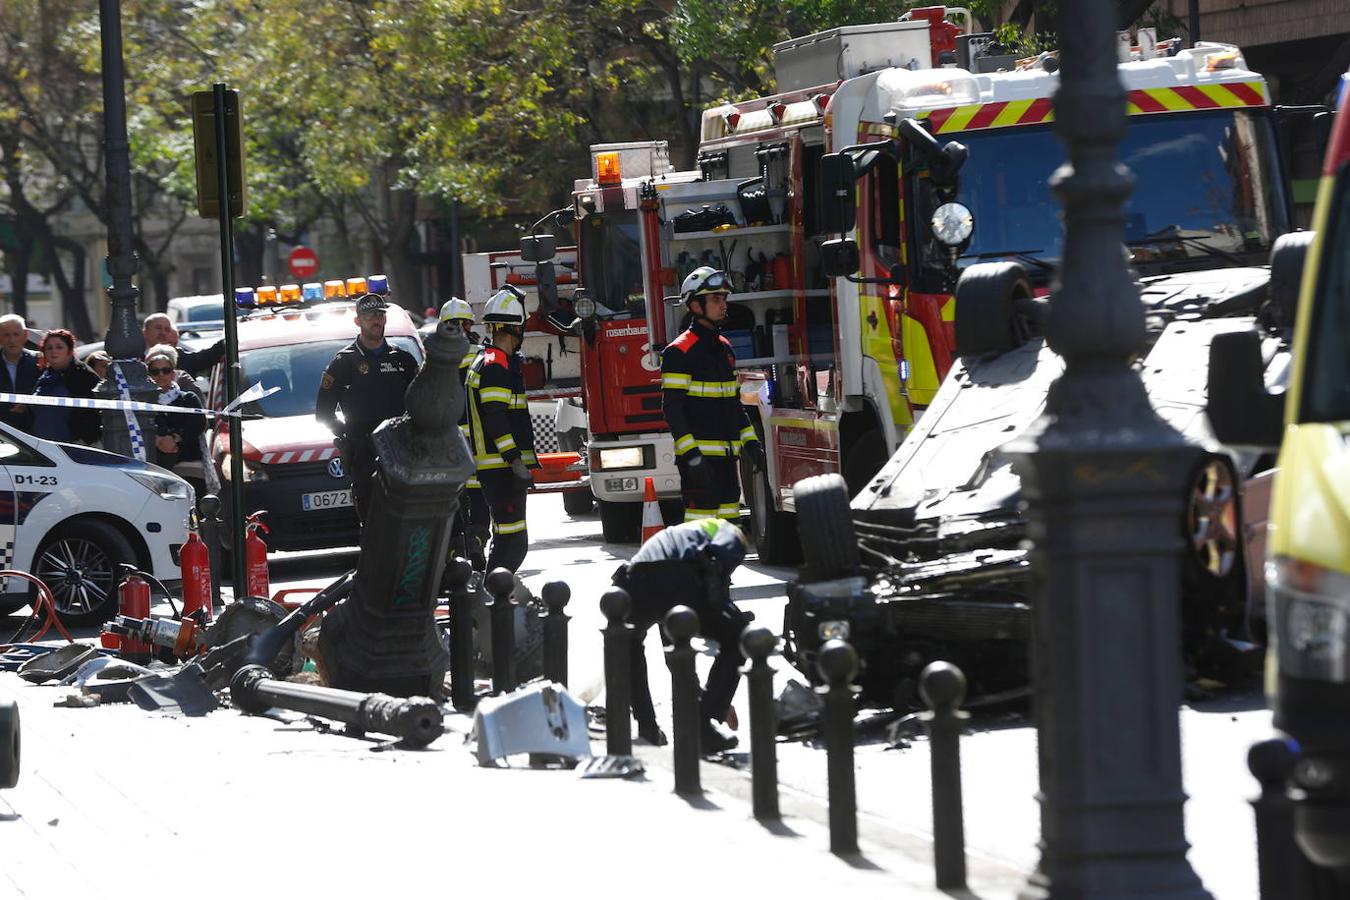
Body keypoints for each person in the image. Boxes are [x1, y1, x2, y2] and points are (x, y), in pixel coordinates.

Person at [611, 517, 752, 753]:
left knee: (631, 651)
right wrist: (731, 614)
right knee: (739, 636)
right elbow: (714, 567)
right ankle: (702, 726)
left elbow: (676, 647)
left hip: (632, 580)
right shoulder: (732, 534)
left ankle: (648, 730)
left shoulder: (688, 532)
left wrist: (702, 692)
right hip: (674, 576)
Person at [661, 266, 765, 522]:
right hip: (699, 464)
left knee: (729, 528)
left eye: (724, 299)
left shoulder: (725, 349)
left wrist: (752, 445)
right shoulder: (679, 351)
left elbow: (734, 404)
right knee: (701, 531)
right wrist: (692, 456)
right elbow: (672, 410)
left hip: (728, 461)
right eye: (716, 300)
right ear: (696, 306)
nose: (723, 305)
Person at [314, 292, 419, 522]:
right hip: (365, 454)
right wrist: (349, 438)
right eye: (370, 316)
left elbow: (420, 404)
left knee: (408, 519)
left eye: (380, 315)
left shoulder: (403, 360)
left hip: (401, 451)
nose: (377, 320)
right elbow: (323, 413)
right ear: (358, 321)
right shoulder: (343, 363)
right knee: (373, 522)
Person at [465, 286, 536, 574]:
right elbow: (496, 418)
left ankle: (492, 603)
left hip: (497, 470)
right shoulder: (495, 366)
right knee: (512, 543)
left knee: (508, 541)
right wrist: (515, 460)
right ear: (512, 328)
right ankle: (492, 605)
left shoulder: (489, 361)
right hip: (502, 470)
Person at [441, 297, 490, 569]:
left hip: (449, 442)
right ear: (469, 324)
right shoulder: (482, 355)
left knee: (456, 497)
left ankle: (457, 548)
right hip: (480, 440)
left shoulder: (436, 360)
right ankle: (478, 540)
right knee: (480, 493)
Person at [30, 330, 101, 444]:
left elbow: (92, 415)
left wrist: (84, 441)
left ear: (69, 350)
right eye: (49, 348)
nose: (54, 351)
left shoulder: (84, 375)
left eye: (59, 347)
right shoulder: (43, 376)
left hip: (74, 447)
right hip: (42, 446)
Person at [145, 344, 206, 471]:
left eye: (166, 370)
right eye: (155, 371)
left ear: (173, 374)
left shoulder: (188, 398)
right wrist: (159, 441)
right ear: (148, 376)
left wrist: (175, 438)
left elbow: (198, 423)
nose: (161, 375)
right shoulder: (143, 402)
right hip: (157, 464)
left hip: (189, 461)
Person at [142, 312, 225, 377]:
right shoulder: (136, 359)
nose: (163, 333)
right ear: (145, 332)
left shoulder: (181, 358)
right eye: (158, 328)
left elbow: (209, 355)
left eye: (167, 330)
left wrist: (229, 337)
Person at [0, 314, 39, 432]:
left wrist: (29, 405)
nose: (12, 340)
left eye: (16, 334)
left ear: (25, 335)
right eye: (6, 335)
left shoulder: (39, 362)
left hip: (32, 432)